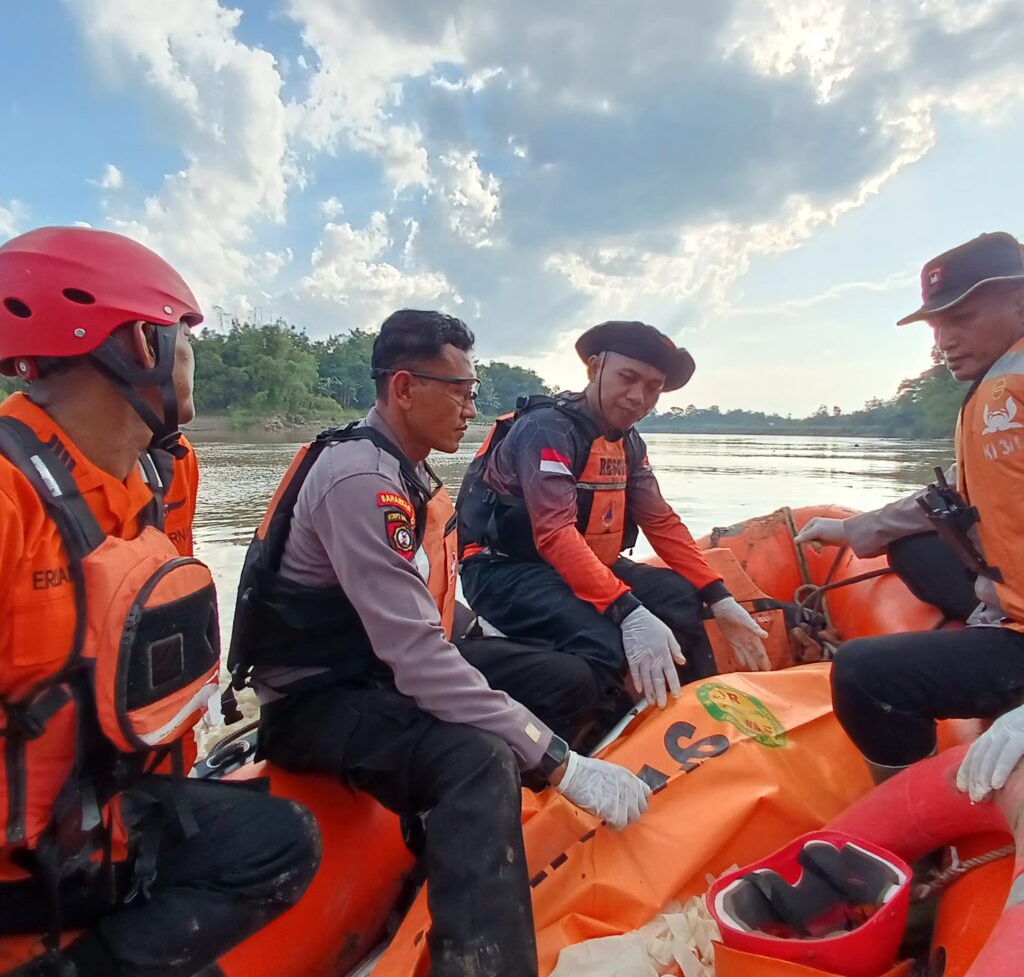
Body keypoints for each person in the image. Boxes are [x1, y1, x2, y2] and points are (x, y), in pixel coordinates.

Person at [227, 309, 652, 977]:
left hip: (377, 667)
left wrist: (493, 657)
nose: (469, 408)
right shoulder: (362, 482)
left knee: (567, 679)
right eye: (457, 391)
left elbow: (435, 609)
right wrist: (561, 761)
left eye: (474, 392)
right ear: (403, 388)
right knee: (479, 757)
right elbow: (420, 661)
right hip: (320, 697)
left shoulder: (408, 470)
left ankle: (481, 839)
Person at [0, 227, 320, 977]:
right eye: (185, 342)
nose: (191, 364)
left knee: (283, 839)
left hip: (114, 817)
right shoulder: (11, 493)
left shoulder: (162, 476)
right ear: (142, 345)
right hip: (23, 865)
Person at [457, 320, 771, 733]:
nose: (639, 397)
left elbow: (661, 521)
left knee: (679, 596)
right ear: (594, 368)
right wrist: (627, 611)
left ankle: (691, 709)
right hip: (506, 570)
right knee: (605, 642)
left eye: (654, 387)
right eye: (628, 377)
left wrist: (719, 596)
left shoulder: (629, 441)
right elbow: (553, 532)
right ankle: (588, 742)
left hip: (582, 564)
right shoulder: (546, 428)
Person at [795, 231, 1024, 796]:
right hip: (1008, 599)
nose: (944, 341)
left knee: (862, 673)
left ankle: (919, 815)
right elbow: (953, 498)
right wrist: (851, 530)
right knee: (912, 547)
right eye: (936, 326)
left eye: (962, 318)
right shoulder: (998, 385)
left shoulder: (1009, 393)